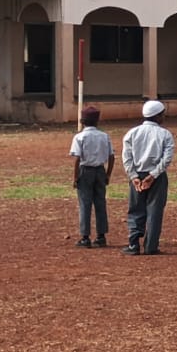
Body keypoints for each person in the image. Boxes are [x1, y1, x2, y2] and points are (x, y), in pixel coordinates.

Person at [120, 99, 174, 256]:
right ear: (158, 116)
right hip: (157, 176)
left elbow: (127, 157)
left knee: (136, 209)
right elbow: (167, 158)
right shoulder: (165, 134)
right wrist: (153, 175)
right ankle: (151, 245)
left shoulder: (132, 133)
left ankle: (133, 244)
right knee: (155, 210)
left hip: (137, 175)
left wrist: (133, 176)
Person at [69, 104, 114, 248]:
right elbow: (112, 157)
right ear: (97, 121)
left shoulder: (79, 137)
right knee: (100, 203)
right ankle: (101, 236)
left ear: (82, 121)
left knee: (85, 203)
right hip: (100, 170)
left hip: (85, 170)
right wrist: (108, 174)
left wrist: (75, 178)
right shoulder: (104, 136)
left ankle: (85, 236)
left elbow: (77, 159)